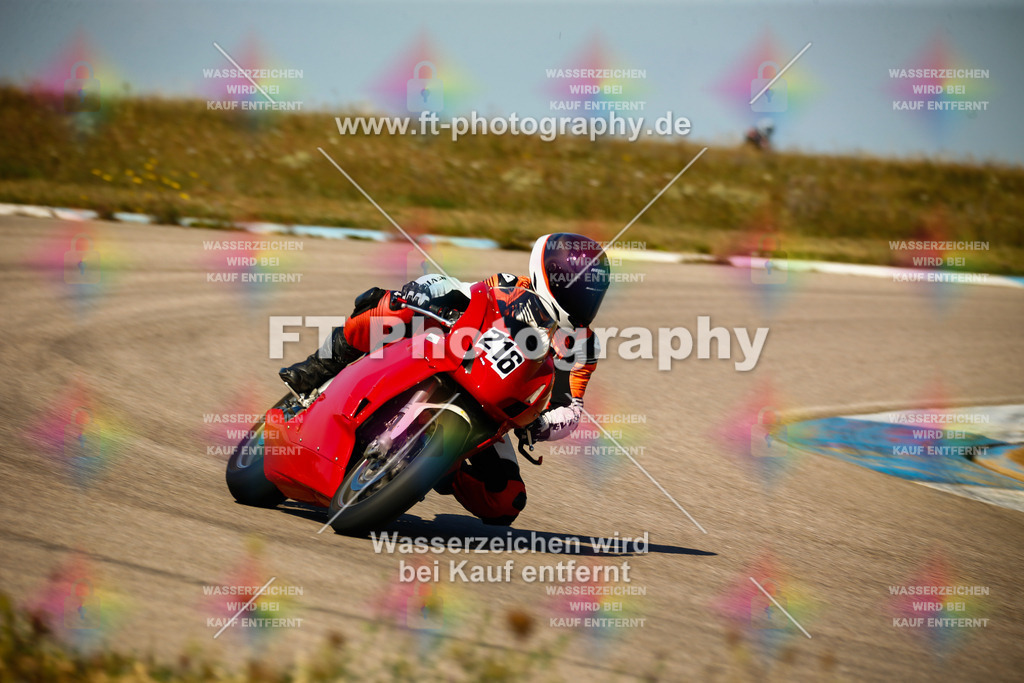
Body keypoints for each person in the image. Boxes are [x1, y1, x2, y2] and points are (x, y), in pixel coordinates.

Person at [279, 233, 611, 526]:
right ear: (550, 274)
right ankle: (322, 365)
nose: (581, 299)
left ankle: (436, 466)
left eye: (589, 293)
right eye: (575, 287)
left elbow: (571, 408)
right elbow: (462, 291)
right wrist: (424, 293)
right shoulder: (511, 285)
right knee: (391, 308)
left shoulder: (582, 345)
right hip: (451, 356)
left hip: (492, 409)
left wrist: (541, 424)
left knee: (505, 502)